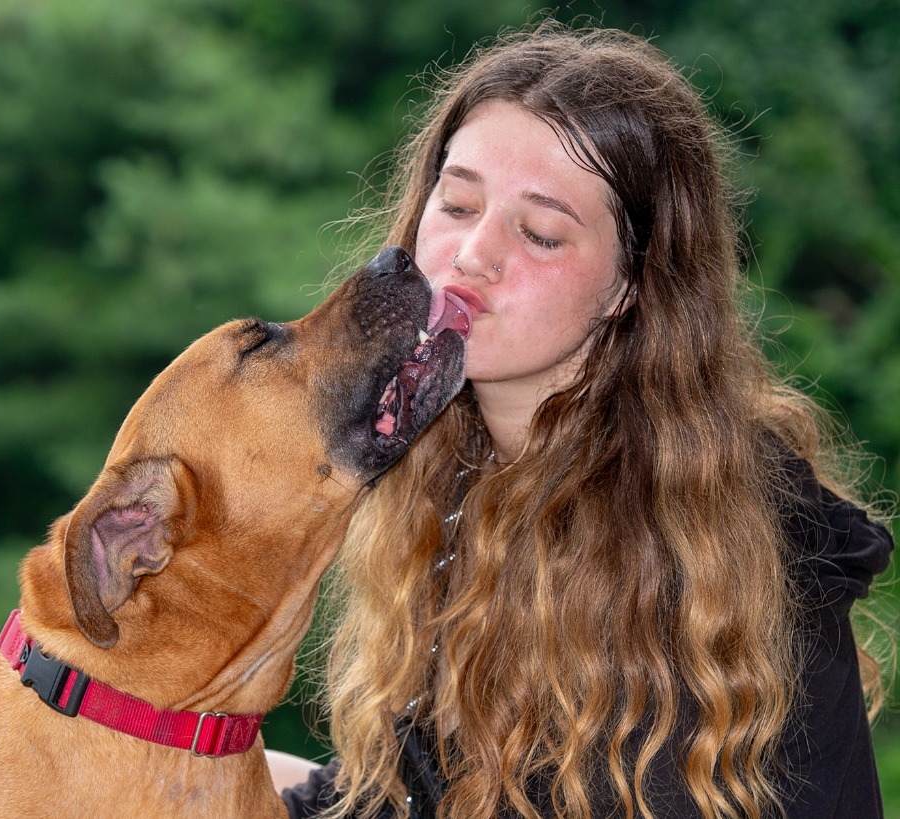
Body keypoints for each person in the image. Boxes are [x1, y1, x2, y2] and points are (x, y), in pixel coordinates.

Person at [270, 21, 895, 819]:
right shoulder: (447, 478)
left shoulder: (716, 551)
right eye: (456, 203)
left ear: (632, 286)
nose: (472, 254)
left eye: (540, 232)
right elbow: (388, 799)